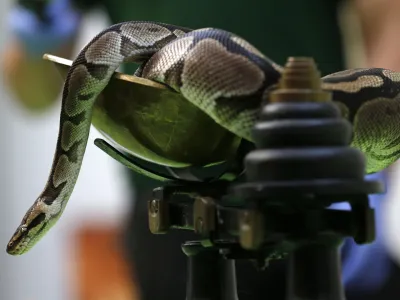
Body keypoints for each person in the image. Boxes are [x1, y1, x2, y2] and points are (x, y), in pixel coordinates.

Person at [3, 0, 400, 299]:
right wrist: (38, 26)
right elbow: (33, 92)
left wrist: (374, 169)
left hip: (315, 185)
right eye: (27, 229)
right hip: (169, 205)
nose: (22, 237)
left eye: (27, 228)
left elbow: (387, 12)